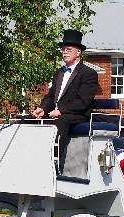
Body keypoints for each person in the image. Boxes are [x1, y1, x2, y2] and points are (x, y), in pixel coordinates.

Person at [32, 29, 99, 173]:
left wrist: (61, 110)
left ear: (78, 52)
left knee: (59, 121)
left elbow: (83, 101)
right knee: (28, 120)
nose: (64, 52)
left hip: (77, 114)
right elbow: (50, 97)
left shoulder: (88, 74)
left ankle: (54, 165)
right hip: (56, 112)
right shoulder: (59, 72)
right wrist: (43, 109)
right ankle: (29, 159)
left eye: (68, 49)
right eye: (63, 49)